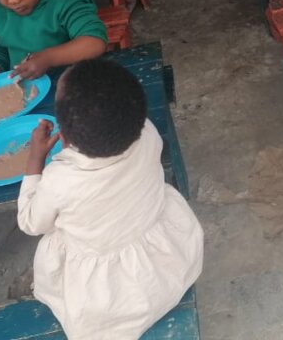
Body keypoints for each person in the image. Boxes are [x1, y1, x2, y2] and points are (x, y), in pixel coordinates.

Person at [19, 59, 203, 339]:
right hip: (165, 264)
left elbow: (31, 223)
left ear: (64, 136)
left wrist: (35, 158)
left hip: (109, 298)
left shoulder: (61, 179)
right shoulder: (148, 133)